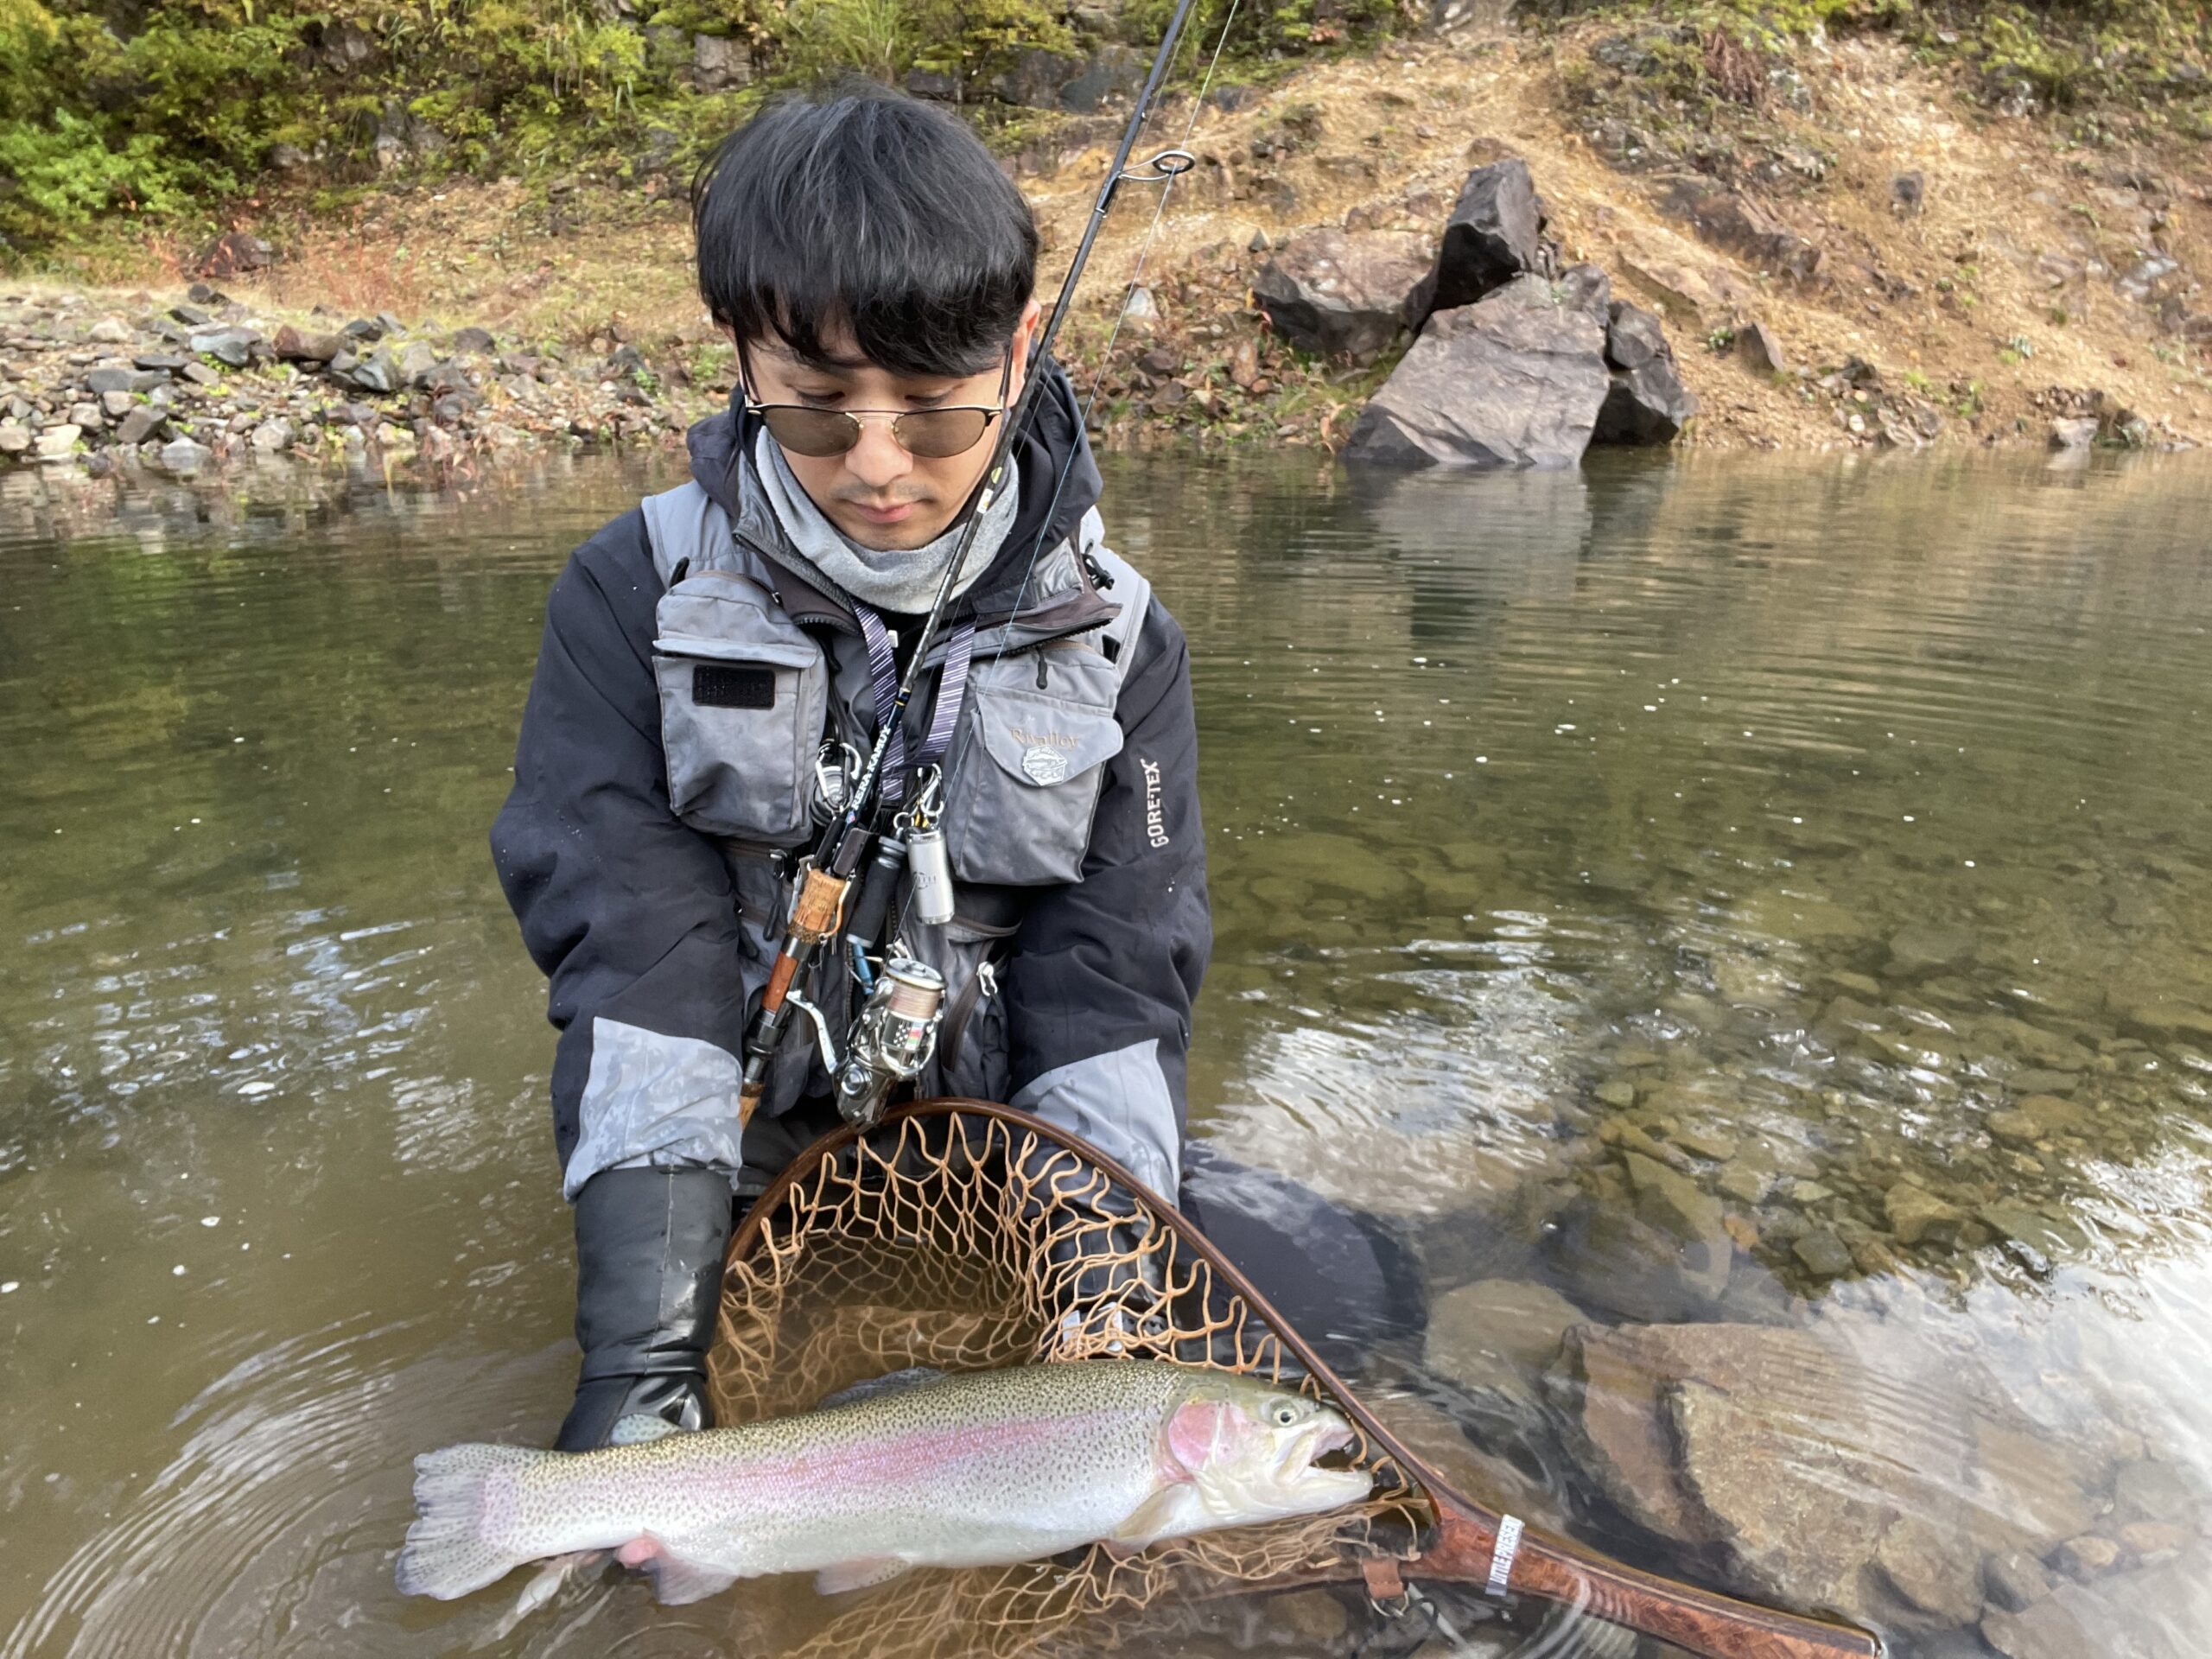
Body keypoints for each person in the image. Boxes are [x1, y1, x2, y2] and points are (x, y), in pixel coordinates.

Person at [490, 85, 1211, 1452]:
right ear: (739, 356)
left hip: (1004, 1142)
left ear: (1015, 352)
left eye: (935, 415)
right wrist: (638, 1369)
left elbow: (1115, 976)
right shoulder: (626, 593)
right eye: (817, 412)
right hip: (744, 1128)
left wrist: (1111, 1320)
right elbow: (637, 958)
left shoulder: (1125, 635)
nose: (878, 469)